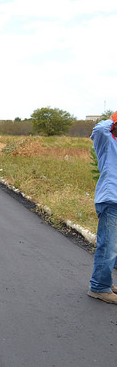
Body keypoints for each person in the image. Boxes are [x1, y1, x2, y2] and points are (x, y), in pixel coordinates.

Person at [88, 111, 117, 304]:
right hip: (111, 200)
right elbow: (99, 128)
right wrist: (112, 120)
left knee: (114, 246)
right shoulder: (106, 142)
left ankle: (105, 281)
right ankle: (99, 287)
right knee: (108, 245)